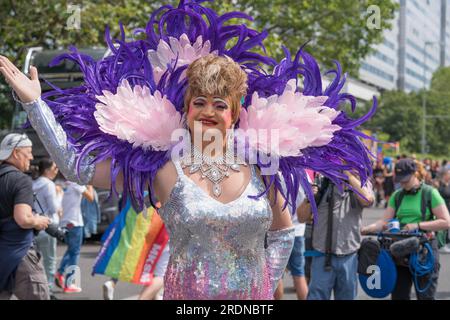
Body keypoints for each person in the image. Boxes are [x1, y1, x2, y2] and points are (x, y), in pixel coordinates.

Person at [0, 0, 376, 300]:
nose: (209, 112)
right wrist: (36, 105)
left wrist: (262, 289)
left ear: (237, 112)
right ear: (186, 108)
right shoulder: (163, 165)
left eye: (220, 104)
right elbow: (77, 168)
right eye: (200, 102)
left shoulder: (264, 165)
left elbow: (281, 233)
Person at [362, 159, 450, 300]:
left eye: (406, 180)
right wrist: (367, 228)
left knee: (425, 297)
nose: (402, 183)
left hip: (424, 251)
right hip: (400, 251)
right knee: (399, 296)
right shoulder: (397, 196)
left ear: (415, 174)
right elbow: (384, 221)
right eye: (400, 180)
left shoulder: (430, 193)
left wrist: (419, 225)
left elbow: (446, 222)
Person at [298, 170, 374, 300]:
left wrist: (348, 175)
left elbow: (368, 200)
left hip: (348, 257)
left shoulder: (359, 181)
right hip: (322, 256)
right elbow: (301, 217)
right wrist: (309, 198)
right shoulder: (322, 182)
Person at [0, 133, 51, 300]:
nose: (31, 156)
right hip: (20, 253)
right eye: (28, 152)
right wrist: (39, 220)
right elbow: (23, 219)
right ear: (15, 153)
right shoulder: (20, 180)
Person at [55, 182, 94, 293]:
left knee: (72, 249)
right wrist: (90, 185)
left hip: (65, 222)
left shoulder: (65, 184)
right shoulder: (77, 184)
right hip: (75, 222)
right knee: (75, 252)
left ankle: (60, 273)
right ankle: (69, 283)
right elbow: (91, 198)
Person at [32, 157, 63, 298]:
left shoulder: (34, 183)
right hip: (49, 226)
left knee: (35, 263)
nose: (57, 170)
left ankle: (37, 290)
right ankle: (48, 291)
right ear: (47, 170)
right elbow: (54, 207)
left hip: (34, 226)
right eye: (55, 168)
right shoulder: (49, 185)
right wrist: (60, 195)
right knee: (49, 261)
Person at [437, 168, 450, 253]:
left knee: (447, 226)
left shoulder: (447, 184)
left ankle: (445, 242)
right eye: (448, 174)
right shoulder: (439, 184)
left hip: (447, 207)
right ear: (445, 175)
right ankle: (442, 245)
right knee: (443, 226)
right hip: (441, 207)